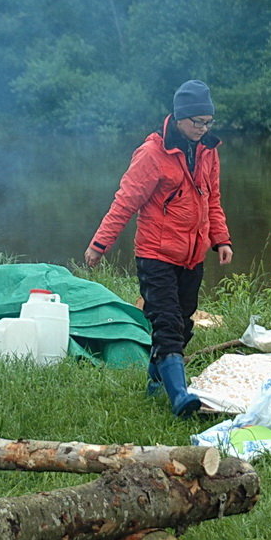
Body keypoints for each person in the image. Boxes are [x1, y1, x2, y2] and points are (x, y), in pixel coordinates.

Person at [84, 79, 232, 418]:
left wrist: (221, 239)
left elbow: (213, 199)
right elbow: (125, 202)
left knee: (183, 323)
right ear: (180, 118)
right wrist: (99, 244)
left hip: (192, 256)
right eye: (198, 122)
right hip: (156, 255)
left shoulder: (209, 151)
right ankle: (179, 396)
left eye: (208, 122)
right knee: (166, 323)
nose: (203, 128)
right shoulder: (152, 154)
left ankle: (157, 376)